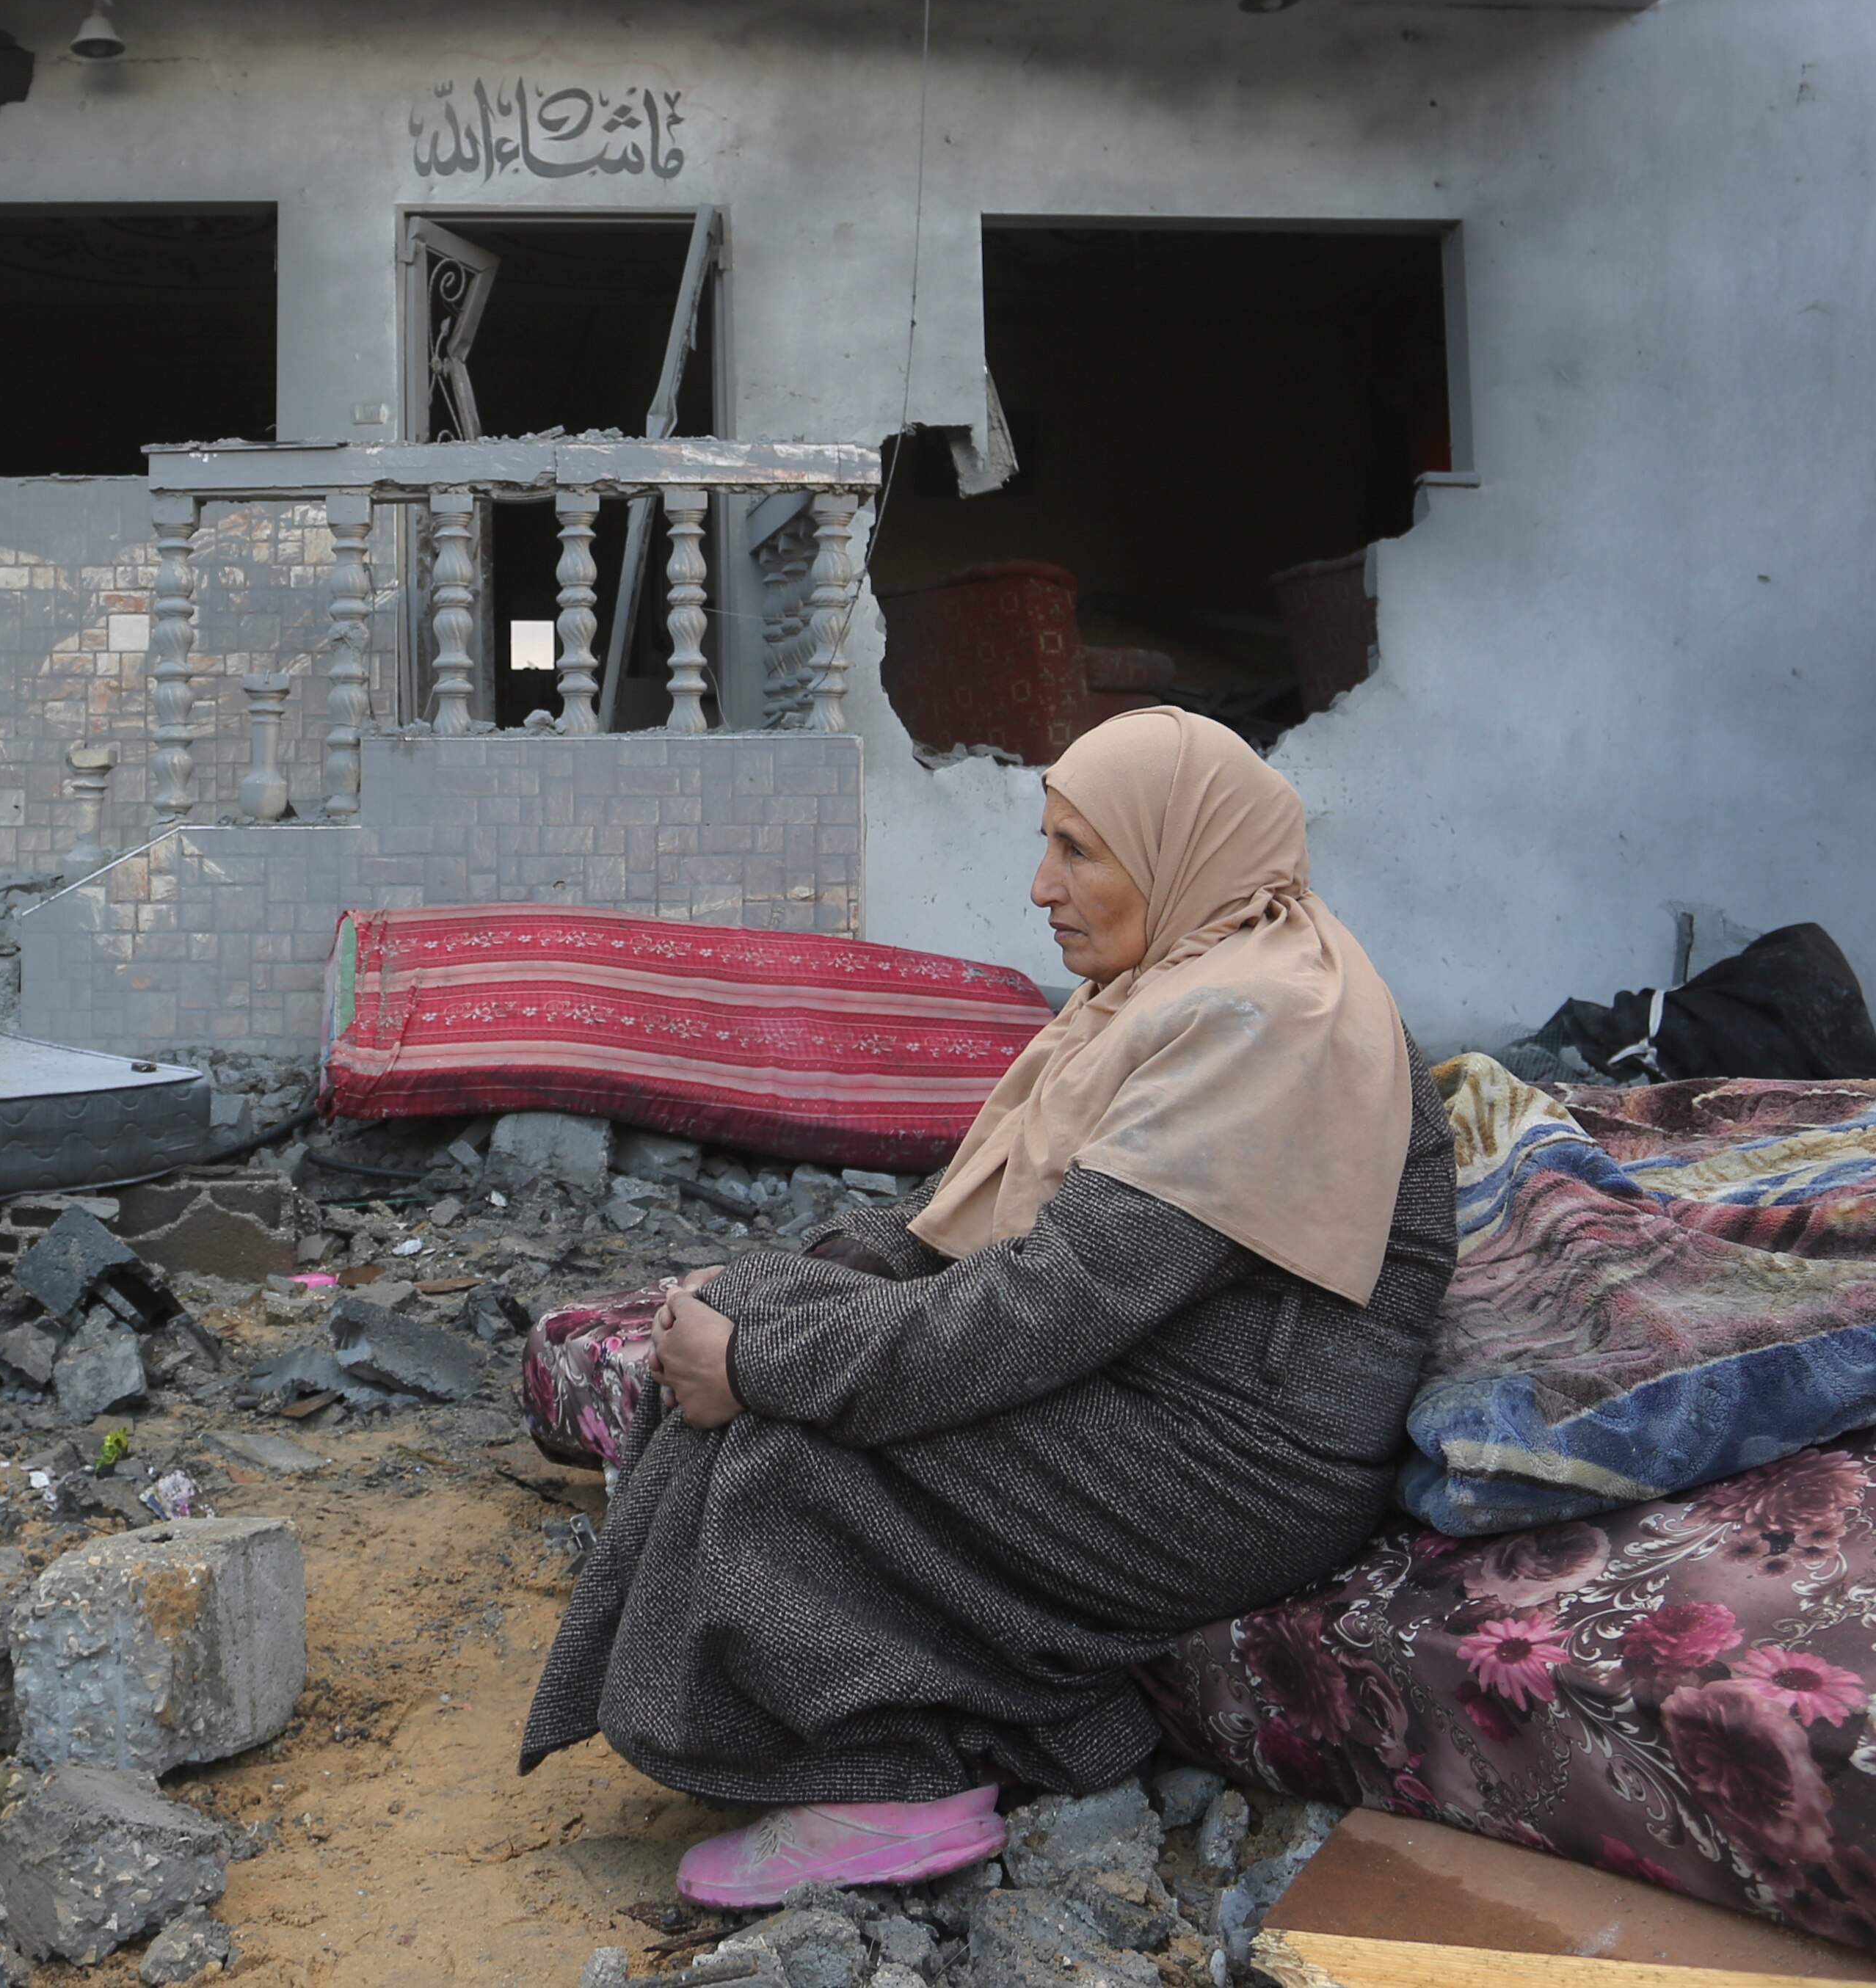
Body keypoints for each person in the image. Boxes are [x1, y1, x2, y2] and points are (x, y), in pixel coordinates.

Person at [518, 707, 1458, 1909]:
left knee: (780, 1449)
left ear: (1182, 849)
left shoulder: (1264, 1020)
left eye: (1080, 850)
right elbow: (967, 1228)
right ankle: (932, 1720)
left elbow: (1050, 1301)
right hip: (1154, 1383)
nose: (1041, 886)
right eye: (1048, 842)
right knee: (761, 1307)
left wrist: (763, 1368)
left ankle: (893, 1782)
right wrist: (763, 1300)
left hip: (1238, 1463)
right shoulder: (1178, 983)